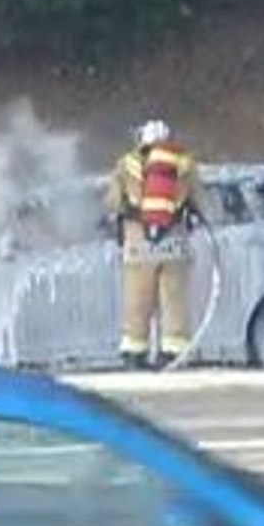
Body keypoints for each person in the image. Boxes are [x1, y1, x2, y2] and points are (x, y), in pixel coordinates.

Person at [105, 119, 210, 370]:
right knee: (174, 297)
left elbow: (112, 203)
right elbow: (199, 201)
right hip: (174, 239)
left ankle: (135, 352)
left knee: (137, 297)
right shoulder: (185, 164)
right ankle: (173, 351)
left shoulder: (126, 165)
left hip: (138, 242)